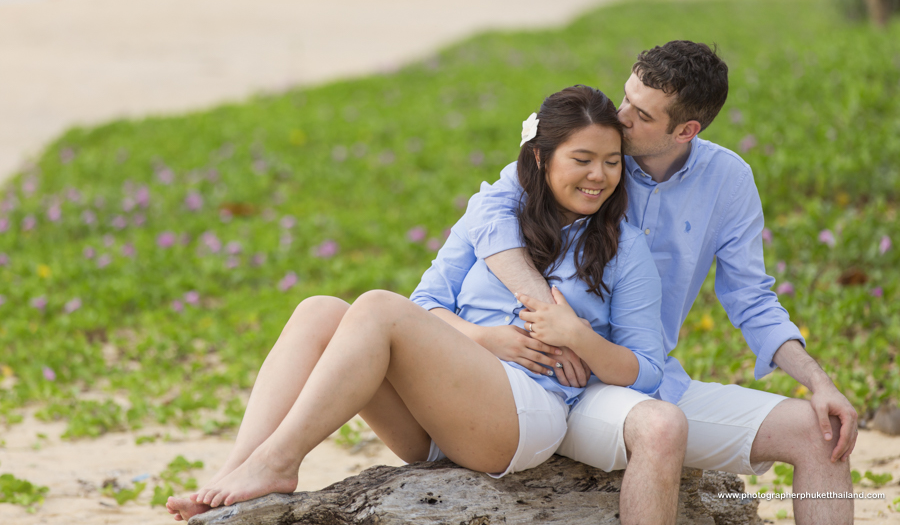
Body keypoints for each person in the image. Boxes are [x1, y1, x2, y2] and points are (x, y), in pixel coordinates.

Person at [166, 84, 666, 521]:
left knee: (380, 307)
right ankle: (234, 473)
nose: (599, 176)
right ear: (540, 157)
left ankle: (279, 461)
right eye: (582, 160)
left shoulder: (625, 247)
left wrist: (578, 336)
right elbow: (426, 302)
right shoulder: (493, 217)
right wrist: (485, 339)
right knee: (319, 309)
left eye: (611, 161)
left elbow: (645, 369)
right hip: (436, 416)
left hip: (522, 419)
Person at [462, 41, 858, 525]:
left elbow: (752, 300)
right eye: (626, 97)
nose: (621, 116)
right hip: (565, 382)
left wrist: (819, 381)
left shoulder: (728, 181)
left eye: (642, 114)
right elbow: (489, 208)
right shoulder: (595, 159)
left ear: (686, 130)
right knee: (658, 427)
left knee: (822, 435)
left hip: (651, 376)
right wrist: (551, 318)